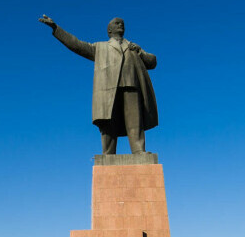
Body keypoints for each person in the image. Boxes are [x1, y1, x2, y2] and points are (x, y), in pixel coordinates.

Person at [39, 15, 158, 155]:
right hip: (108, 88)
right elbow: (77, 45)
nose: (120, 25)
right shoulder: (100, 47)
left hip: (131, 84)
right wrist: (56, 28)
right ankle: (108, 154)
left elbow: (152, 62)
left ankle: (138, 150)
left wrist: (140, 52)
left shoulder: (133, 47)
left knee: (135, 120)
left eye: (122, 23)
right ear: (109, 30)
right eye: (117, 23)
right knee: (108, 120)